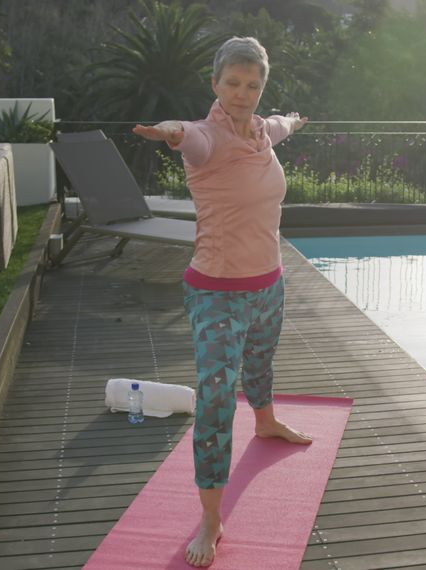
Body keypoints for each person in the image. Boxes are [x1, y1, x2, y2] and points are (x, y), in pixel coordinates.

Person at [132, 36, 312, 568]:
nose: (242, 93)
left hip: (270, 282)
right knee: (214, 403)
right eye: (232, 83)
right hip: (216, 293)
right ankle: (211, 519)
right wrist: (170, 131)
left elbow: (279, 122)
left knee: (260, 361)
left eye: (252, 85)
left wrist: (294, 121)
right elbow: (186, 136)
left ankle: (266, 420)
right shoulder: (206, 138)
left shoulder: (261, 131)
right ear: (214, 84)